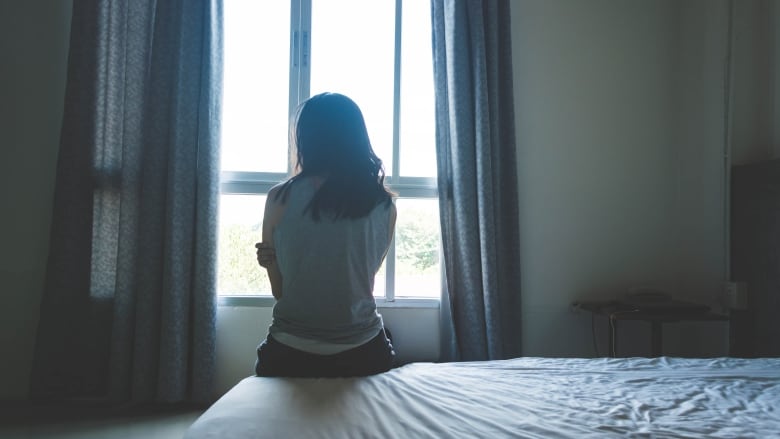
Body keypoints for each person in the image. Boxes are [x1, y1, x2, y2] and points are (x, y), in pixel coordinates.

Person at [253, 92, 397, 378]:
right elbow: (360, 281)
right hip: (363, 353)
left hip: (290, 353)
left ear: (306, 138)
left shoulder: (279, 198)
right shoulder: (384, 205)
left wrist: (271, 261)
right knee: (386, 335)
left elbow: (281, 293)